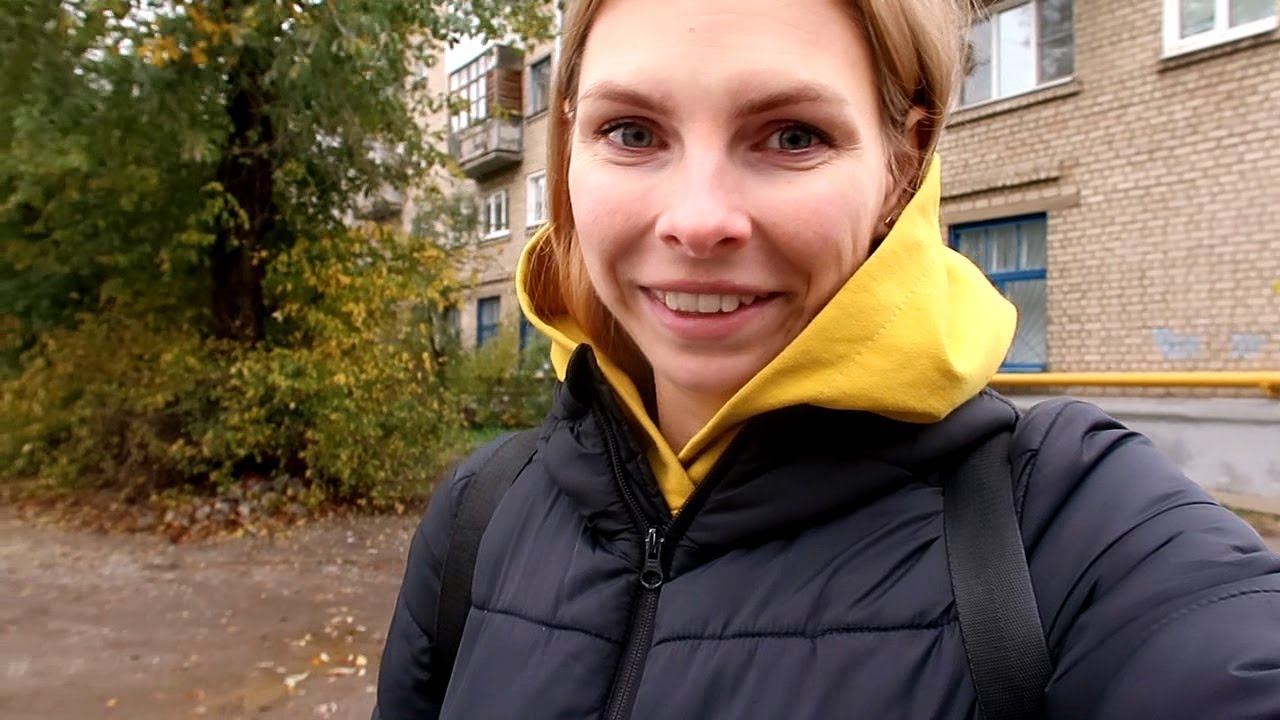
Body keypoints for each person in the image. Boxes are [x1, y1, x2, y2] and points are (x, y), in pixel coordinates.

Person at [374, 0, 1280, 717]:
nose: (697, 220)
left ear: (903, 162)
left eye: (792, 135)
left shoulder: (1071, 531)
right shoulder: (482, 512)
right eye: (633, 133)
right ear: (570, 145)